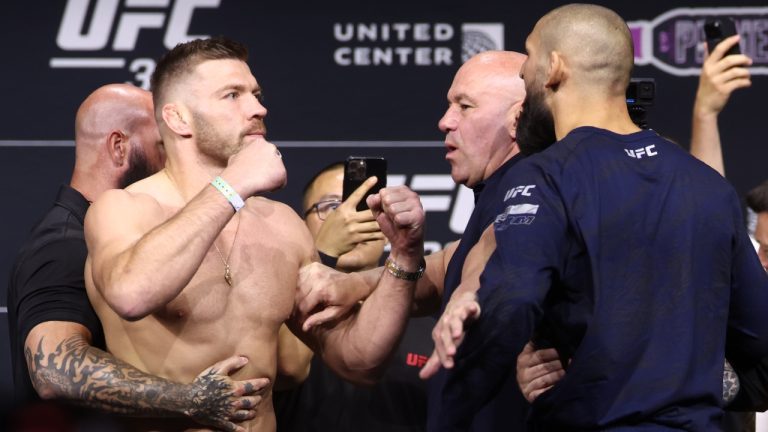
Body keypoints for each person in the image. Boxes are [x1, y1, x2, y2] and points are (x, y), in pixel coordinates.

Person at [423, 4, 768, 430]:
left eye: (528, 59)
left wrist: (452, 409)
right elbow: (760, 348)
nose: (523, 75)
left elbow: (511, 303)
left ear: (553, 68)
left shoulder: (548, 176)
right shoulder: (709, 186)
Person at [83, 37, 425, 431]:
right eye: (232, 95)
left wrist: (404, 255)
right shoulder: (123, 209)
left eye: (256, 94)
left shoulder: (281, 226)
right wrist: (232, 186)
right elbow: (132, 293)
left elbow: (358, 362)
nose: (258, 108)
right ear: (179, 119)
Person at [6, 83, 268, 432]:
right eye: (163, 145)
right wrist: (191, 400)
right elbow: (54, 368)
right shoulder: (65, 243)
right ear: (119, 147)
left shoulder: (134, 238)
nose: (176, 160)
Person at [297, 50, 534, 431]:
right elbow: (453, 262)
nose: (445, 121)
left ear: (517, 117)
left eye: (465, 106)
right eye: (448, 105)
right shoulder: (497, 190)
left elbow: (499, 248)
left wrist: (466, 296)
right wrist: (361, 278)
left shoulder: (538, 186)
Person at [275, 162, 433, 432]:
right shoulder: (276, 313)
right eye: (331, 208)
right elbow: (288, 369)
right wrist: (324, 252)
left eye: (363, 207)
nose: (349, 219)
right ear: (301, 226)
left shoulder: (430, 322)